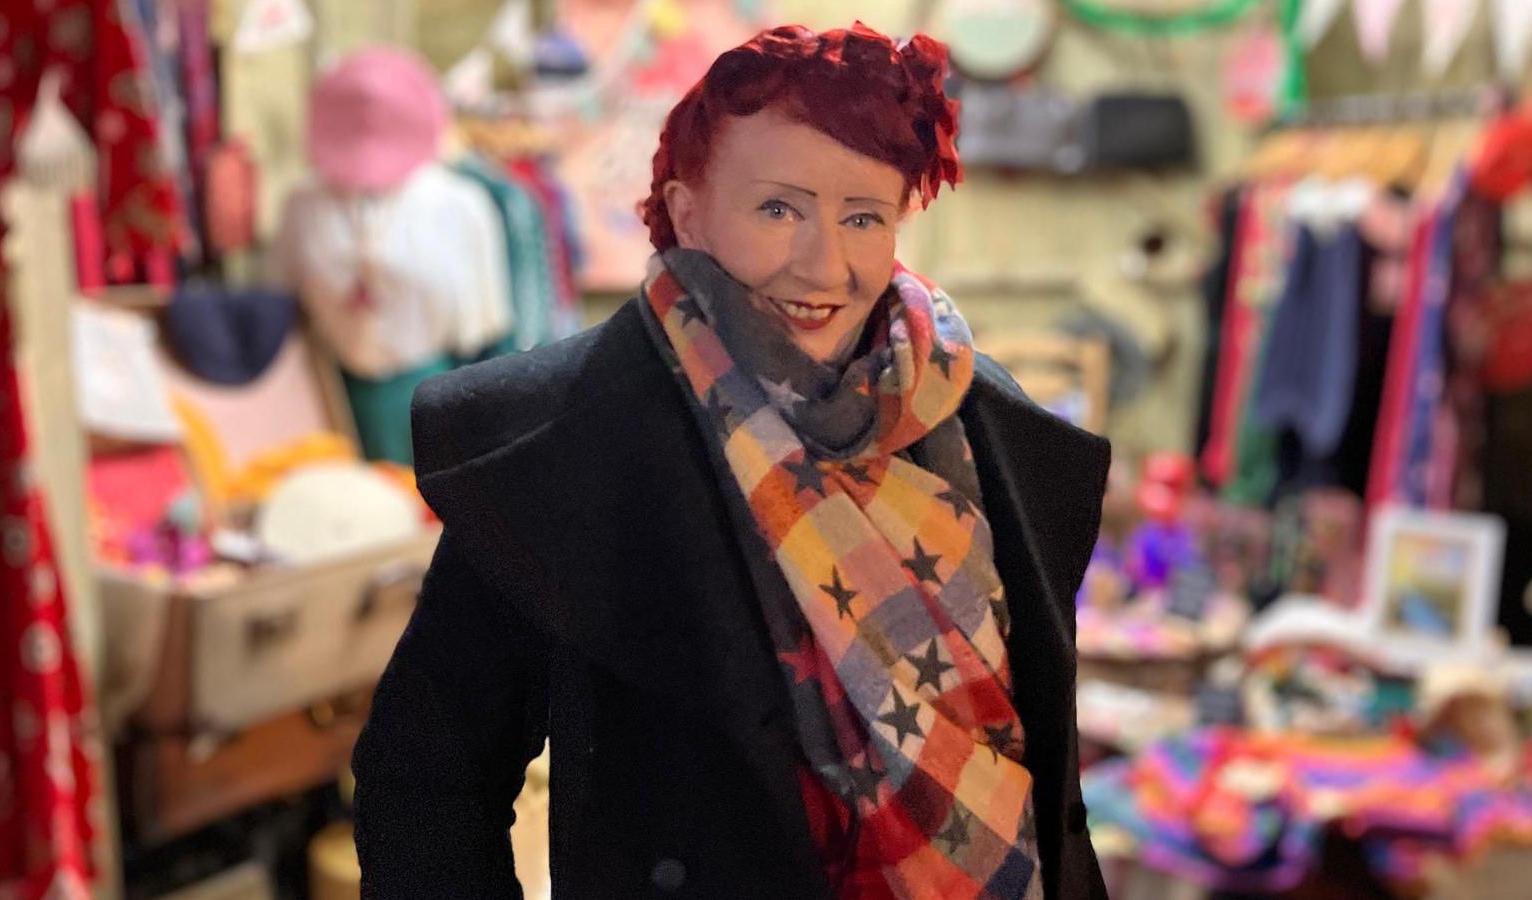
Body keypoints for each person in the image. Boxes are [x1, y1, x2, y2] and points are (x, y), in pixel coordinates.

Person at [351, 22, 1111, 899]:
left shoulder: (981, 420)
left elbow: (1044, 779)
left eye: (862, 216)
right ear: (686, 211)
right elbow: (427, 778)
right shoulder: (573, 441)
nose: (824, 263)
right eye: (779, 208)